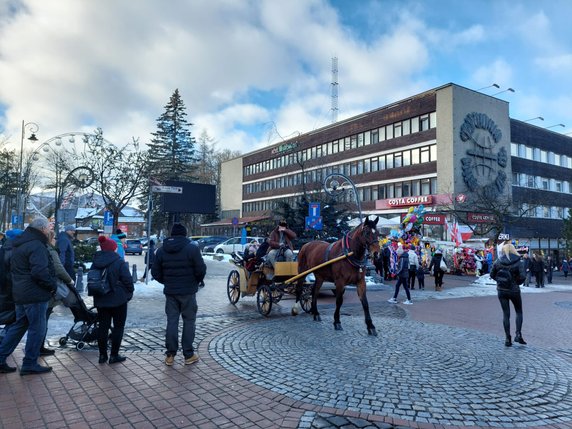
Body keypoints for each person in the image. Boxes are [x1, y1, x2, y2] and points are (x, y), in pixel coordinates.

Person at [0, 218, 56, 375]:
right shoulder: (37, 245)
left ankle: (1, 357)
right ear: (42, 229)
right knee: (36, 329)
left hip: (21, 293)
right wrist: (52, 286)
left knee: (19, 326)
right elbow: (40, 272)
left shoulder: (19, 243)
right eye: (48, 228)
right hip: (35, 294)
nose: (49, 230)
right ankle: (30, 363)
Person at [152, 223, 206, 366]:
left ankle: (170, 355)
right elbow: (201, 269)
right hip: (188, 291)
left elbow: (155, 272)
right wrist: (196, 280)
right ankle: (188, 354)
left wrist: (166, 281)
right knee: (189, 321)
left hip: (171, 292)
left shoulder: (162, 250)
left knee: (172, 321)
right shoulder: (192, 249)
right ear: (184, 234)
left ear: (172, 234)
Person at [92, 236, 134, 364]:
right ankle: (114, 355)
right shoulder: (118, 261)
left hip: (101, 298)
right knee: (118, 327)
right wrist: (129, 293)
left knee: (103, 327)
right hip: (118, 299)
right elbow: (128, 280)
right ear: (112, 249)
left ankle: (102, 355)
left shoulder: (96, 261)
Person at [41, 230, 76, 356]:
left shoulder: (41, 249)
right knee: (42, 319)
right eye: (53, 237)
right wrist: (69, 280)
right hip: (47, 290)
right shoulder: (50, 250)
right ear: (50, 239)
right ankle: (37, 349)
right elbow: (58, 267)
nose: (55, 240)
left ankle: (38, 347)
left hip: (38, 290)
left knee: (40, 319)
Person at [490, 243, 527, 347]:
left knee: (506, 314)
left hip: (501, 290)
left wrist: (500, 281)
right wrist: (516, 283)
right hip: (514, 290)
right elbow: (523, 276)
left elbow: (492, 274)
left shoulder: (498, 261)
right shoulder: (518, 262)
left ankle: (507, 338)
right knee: (519, 312)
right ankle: (518, 334)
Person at [0, 229, 24, 338]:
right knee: (12, 315)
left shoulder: (4, 248)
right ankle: (5, 336)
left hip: (5, 286)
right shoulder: (13, 250)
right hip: (10, 287)